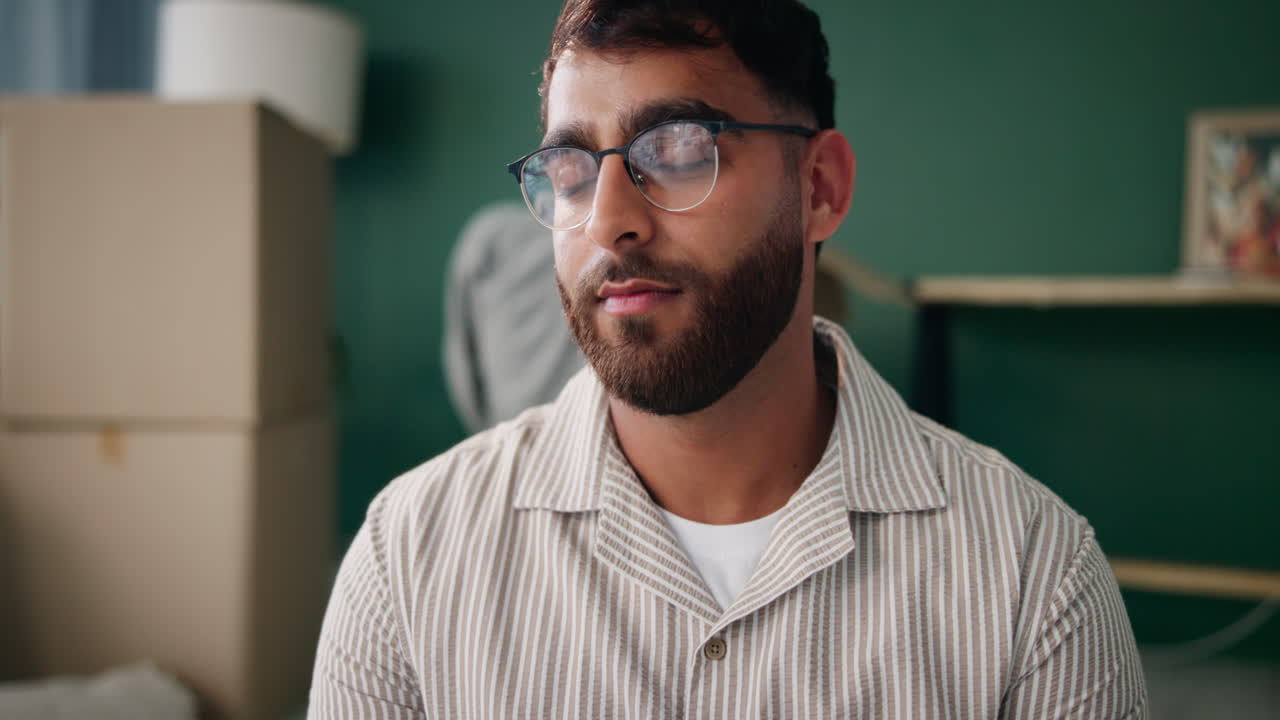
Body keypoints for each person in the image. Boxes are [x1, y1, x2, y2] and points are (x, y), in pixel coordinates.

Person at [308, 0, 1148, 717]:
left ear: (819, 189)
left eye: (678, 150)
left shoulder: (1035, 578)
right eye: (570, 171)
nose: (609, 220)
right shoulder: (407, 556)